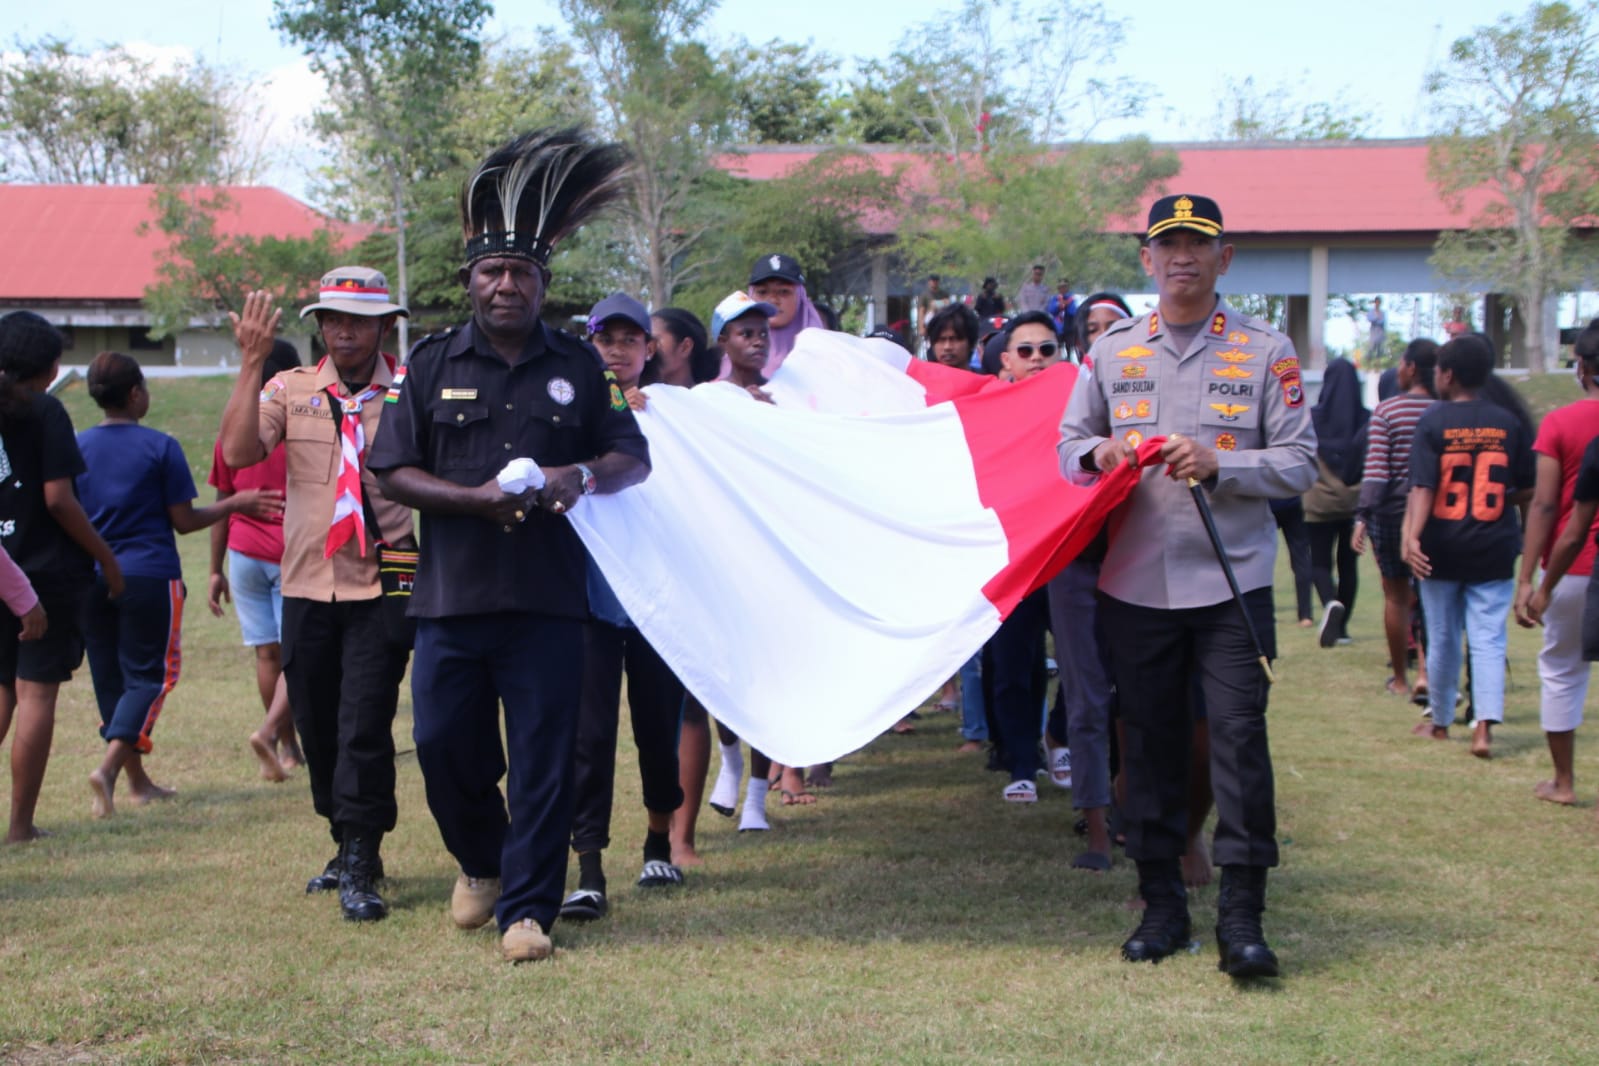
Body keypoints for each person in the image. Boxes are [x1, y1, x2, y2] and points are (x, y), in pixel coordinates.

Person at [368, 128, 649, 964]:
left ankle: (527, 911)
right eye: (491, 272)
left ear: (542, 284)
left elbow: (633, 458)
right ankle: (481, 861)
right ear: (469, 283)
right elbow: (391, 469)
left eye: (521, 273)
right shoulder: (428, 363)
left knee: (542, 760)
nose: (505, 285)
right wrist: (472, 501)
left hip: (550, 603)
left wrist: (581, 477)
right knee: (443, 747)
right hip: (452, 597)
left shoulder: (578, 364)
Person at [1058, 194, 1316, 978]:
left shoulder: (1265, 351)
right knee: (1152, 745)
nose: (1180, 258)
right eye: (1165, 244)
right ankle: (1162, 904)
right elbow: (1066, 446)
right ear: (1146, 260)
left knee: (1238, 743)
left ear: (1222, 259)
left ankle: (1242, 916)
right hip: (1134, 585)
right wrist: (1098, 453)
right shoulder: (1111, 353)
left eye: (1196, 245)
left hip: (1230, 588)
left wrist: (1223, 464)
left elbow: (1301, 462)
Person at [219, 269, 414, 924]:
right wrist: (250, 365)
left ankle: (362, 858)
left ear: (385, 325)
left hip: (389, 572)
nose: (343, 330)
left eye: (359, 320)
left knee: (364, 723)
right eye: (332, 318)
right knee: (318, 723)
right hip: (305, 577)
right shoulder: (289, 388)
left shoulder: (413, 392)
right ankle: (344, 840)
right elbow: (239, 451)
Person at [76, 351, 283, 819]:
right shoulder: (159, 446)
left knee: (111, 679)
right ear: (135, 394)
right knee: (151, 676)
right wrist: (238, 503)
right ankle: (109, 770)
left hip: (90, 578)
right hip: (148, 577)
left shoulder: (77, 446)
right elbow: (185, 521)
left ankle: (137, 783)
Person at [562, 294, 686, 923]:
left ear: (649, 349)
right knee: (587, 738)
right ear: (589, 344)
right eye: (605, 338)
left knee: (657, 728)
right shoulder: (571, 411)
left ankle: (659, 841)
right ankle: (588, 867)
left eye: (630, 339)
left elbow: (733, 422)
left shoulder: (678, 412)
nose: (617, 350)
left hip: (656, 603)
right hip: (588, 600)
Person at [0, 311, 122, 843]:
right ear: (48, 367)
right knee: (36, 695)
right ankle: (21, 825)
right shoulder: (45, 411)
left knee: (3, 688)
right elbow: (58, 500)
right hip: (43, 575)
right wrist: (107, 559)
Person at [1401, 334, 1535, 758]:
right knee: (1489, 639)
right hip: (1494, 545)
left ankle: (1441, 723)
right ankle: (1483, 730)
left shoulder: (1434, 421)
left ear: (1448, 374)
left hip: (1441, 546)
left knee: (1441, 637)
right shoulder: (1508, 422)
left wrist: (1411, 537)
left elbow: (1423, 487)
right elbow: (1525, 489)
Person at [208, 339, 304, 782]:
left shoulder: (234, 428)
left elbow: (222, 498)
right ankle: (270, 734)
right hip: (292, 553)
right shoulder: (302, 424)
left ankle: (287, 746)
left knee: (267, 654)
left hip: (243, 553)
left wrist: (214, 569)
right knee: (297, 655)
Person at [1516, 320, 1599, 804]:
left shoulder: (1560, 424)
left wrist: (1528, 579)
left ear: (1582, 366)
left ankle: (1563, 782)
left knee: (1561, 669)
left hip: (1574, 568)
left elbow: (1545, 505)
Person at [1353, 339, 1438, 699]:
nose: (1398, 368)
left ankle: (1400, 678)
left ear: (1412, 368)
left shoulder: (1387, 411)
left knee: (1396, 596)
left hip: (1389, 513)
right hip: (1433, 513)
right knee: (1433, 596)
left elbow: (1377, 472)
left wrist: (1361, 516)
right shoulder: (1442, 410)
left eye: (1402, 362)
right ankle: (1427, 674)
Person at [1305, 358, 1369, 647]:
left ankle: (1330, 603)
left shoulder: (1312, 418)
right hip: (1354, 503)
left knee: (1319, 562)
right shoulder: (1367, 419)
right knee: (1348, 565)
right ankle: (1341, 629)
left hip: (1319, 502)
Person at [747, 253, 826, 375]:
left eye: (784, 292)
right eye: (762, 292)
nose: (773, 300)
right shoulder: (730, 359)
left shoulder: (822, 354)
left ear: (800, 297)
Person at [926, 303, 980, 370]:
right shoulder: (918, 380)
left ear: (971, 343)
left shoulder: (986, 379)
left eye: (955, 339)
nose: (947, 347)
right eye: (941, 340)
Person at [1366, 296, 1387, 362]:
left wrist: (1376, 319)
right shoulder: (1371, 312)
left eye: (1379, 302)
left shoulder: (1383, 313)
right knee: (1371, 347)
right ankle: (1369, 360)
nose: (1378, 303)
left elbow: (1382, 321)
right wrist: (1377, 318)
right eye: (1376, 302)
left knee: (1379, 349)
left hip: (1380, 332)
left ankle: (1378, 363)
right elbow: (1370, 319)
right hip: (1373, 332)